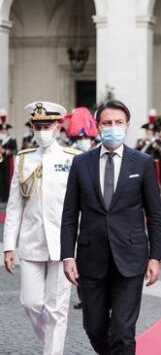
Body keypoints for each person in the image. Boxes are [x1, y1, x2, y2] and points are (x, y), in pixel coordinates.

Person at [60, 100, 161, 355]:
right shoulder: (81, 163)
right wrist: (67, 255)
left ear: (127, 126)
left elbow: (154, 214)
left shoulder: (141, 162)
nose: (113, 128)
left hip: (130, 258)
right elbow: (70, 214)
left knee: (123, 331)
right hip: (91, 258)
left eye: (118, 123)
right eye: (107, 123)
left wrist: (156, 256)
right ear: (98, 126)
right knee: (94, 327)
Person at [3, 101, 80, 355]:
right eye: (37, 126)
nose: (41, 130)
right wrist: (8, 247)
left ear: (58, 126)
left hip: (63, 243)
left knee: (57, 309)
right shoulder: (24, 160)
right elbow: (14, 207)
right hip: (32, 241)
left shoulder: (73, 159)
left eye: (46, 125)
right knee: (31, 302)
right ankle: (50, 341)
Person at [0, 110, 17, 202]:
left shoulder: (11, 139)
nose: (3, 131)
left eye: (5, 129)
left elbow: (15, 150)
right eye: (2, 129)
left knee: (7, 178)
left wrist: (5, 151)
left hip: (7, 161)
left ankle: (6, 197)